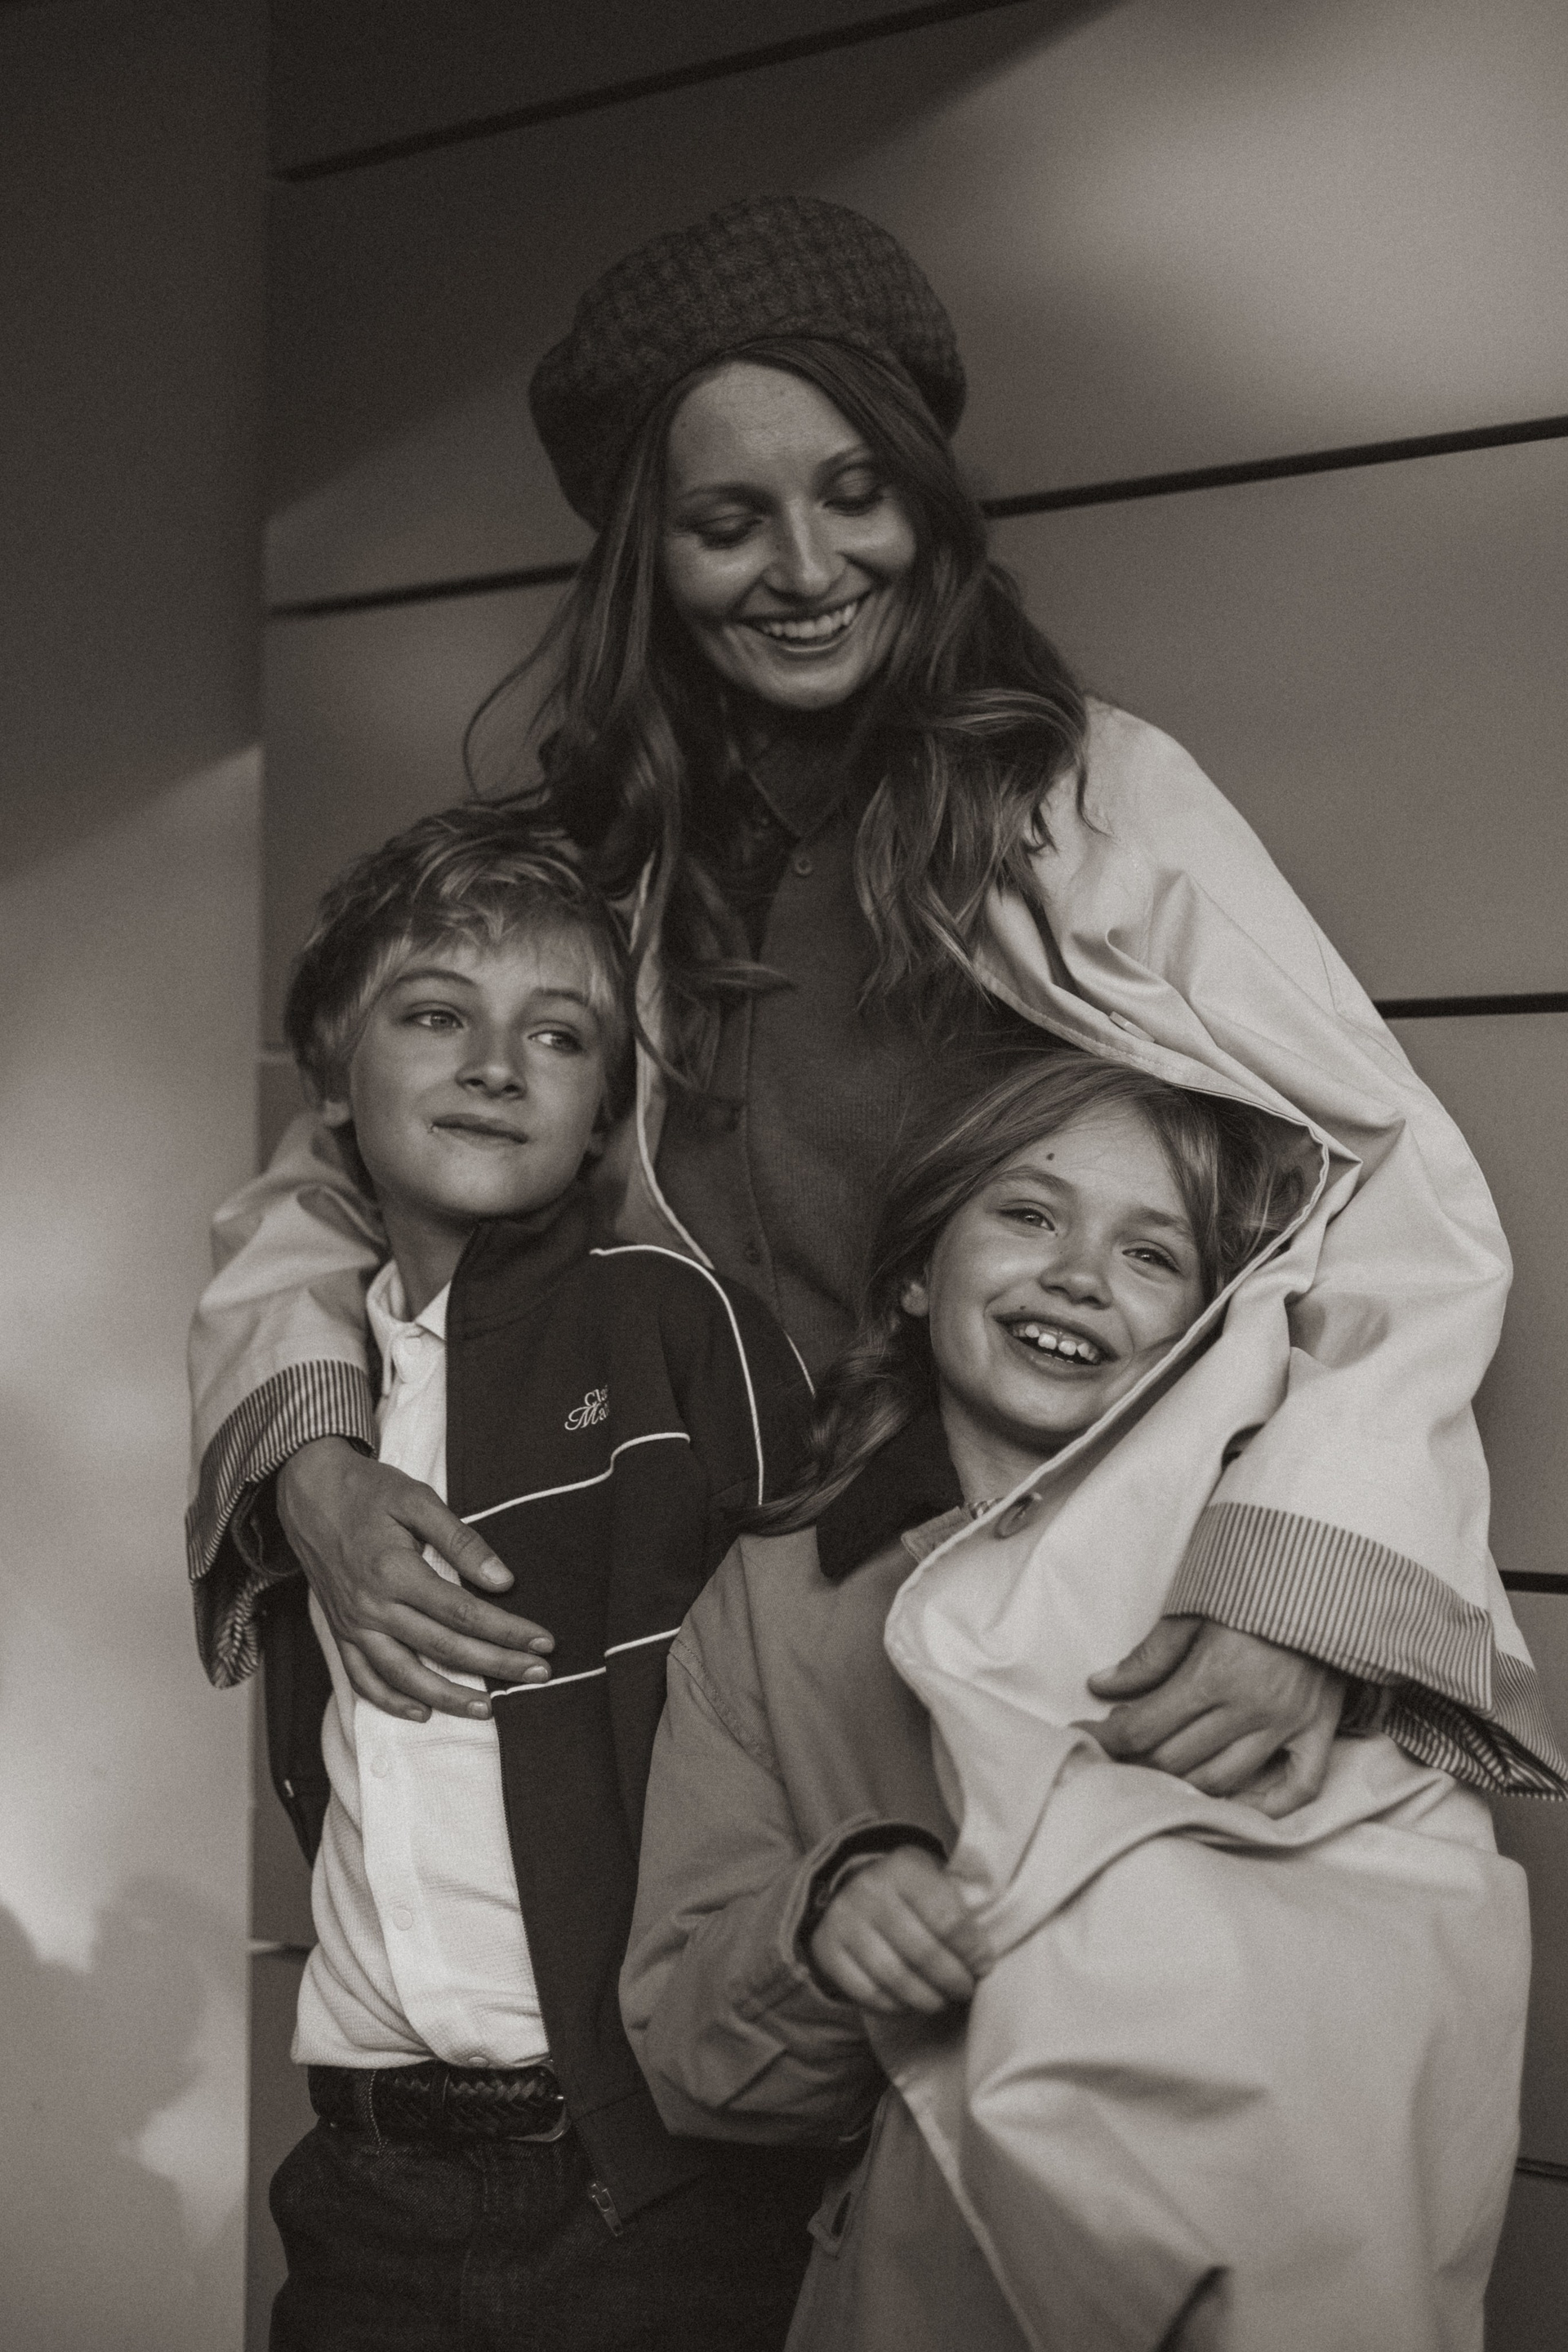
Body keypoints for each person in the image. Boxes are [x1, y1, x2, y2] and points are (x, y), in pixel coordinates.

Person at [186, 196, 1560, 1873]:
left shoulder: (1093, 804)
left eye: (857, 494)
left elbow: (1394, 1195)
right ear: (646, 554)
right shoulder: (573, 869)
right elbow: (330, 1178)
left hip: (1046, 1626)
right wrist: (312, 1469)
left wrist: (1294, 1589)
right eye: (728, 522)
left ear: (925, 496)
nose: (809, 568)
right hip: (650, 1635)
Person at [620, 1053, 1532, 2352]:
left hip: (1262, 2278)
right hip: (928, 2281)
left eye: (1152, 1254)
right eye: (1030, 1214)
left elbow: (1396, 1993)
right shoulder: (777, 1604)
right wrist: (826, 1921)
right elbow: (687, 2060)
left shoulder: (1282, 1597)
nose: (1079, 1276)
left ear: (1212, 1325)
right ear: (918, 1272)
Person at [261, 804, 826, 2351]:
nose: (498, 1065)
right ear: (332, 1074)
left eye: (559, 1035)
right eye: (436, 1015)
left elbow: (818, 1685)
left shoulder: (671, 1324)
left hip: (639, 2178)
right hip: (363, 2166)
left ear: (604, 1115)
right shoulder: (307, 1403)